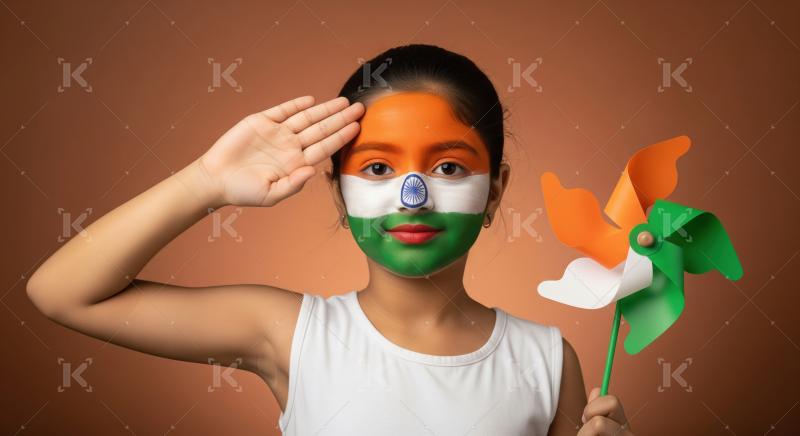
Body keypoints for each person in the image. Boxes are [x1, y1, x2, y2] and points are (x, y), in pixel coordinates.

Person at [27, 44, 633, 435]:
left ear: (495, 192)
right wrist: (205, 182)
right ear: (338, 192)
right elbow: (64, 293)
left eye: (448, 168)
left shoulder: (548, 362)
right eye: (377, 169)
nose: (412, 196)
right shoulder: (289, 334)